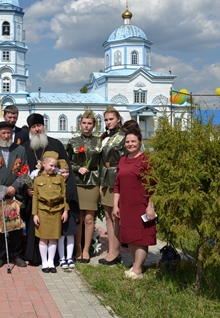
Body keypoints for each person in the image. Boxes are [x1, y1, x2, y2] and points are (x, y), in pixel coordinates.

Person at [23, 113, 79, 266]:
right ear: (30, 130)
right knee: (36, 226)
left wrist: (65, 192)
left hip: (54, 196)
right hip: (35, 197)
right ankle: (35, 257)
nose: (37, 129)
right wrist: (27, 188)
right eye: (33, 127)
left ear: (44, 126)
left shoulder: (56, 144)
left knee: (55, 229)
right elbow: (22, 172)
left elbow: (65, 169)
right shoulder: (25, 148)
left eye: (39, 126)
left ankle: (56, 259)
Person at [0, 121, 28, 268]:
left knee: (15, 225)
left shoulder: (20, 150)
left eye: (9, 133)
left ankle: (16, 254)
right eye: (3, 133)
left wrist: (14, 187)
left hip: (14, 195)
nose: (7, 135)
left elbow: (24, 172)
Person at [113, 130, 156, 279]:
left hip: (141, 205)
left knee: (141, 238)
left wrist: (151, 206)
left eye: (133, 141)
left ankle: (138, 270)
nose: (130, 144)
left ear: (140, 142)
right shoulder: (122, 160)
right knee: (130, 237)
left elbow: (153, 185)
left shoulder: (146, 160)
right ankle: (134, 265)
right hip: (125, 205)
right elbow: (117, 184)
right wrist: (115, 205)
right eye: (127, 142)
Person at [66, 110, 102, 263]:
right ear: (80, 124)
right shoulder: (72, 142)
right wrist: (76, 168)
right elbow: (67, 161)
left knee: (89, 218)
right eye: (84, 123)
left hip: (93, 182)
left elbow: (101, 163)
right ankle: (78, 250)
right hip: (77, 182)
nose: (86, 126)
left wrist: (101, 184)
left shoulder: (99, 142)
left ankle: (86, 250)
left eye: (90, 123)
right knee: (78, 218)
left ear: (94, 125)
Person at [98, 106, 126, 265]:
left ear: (118, 119)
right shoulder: (105, 137)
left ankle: (116, 252)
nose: (108, 122)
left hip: (117, 176)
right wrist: (101, 182)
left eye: (111, 119)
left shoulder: (124, 136)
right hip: (105, 176)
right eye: (106, 120)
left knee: (116, 216)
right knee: (108, 214)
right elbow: (102, 161)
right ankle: (112, 250)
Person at [32, 152, 69, 273]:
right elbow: (35, 198)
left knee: (53, 237)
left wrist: (65, 211)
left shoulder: (59, 179)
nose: (53, 168)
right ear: (43, 164)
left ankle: (51, 261)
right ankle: (44, 262)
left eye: (55, 166)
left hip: (56, 211)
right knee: (43, 238)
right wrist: (35, 214)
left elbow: (64, 195)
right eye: (51, 165)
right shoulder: (38, 180)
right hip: (42, 211)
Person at [56, 159, 76, 269]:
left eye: (67, 172)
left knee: (70, 234)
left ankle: (69, 257)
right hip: (59, 212)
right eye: (62, 172)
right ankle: (62, 257)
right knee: (61, 236)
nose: (65, 174)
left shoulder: (70, 183)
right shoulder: (56, 183)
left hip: (69, 213)